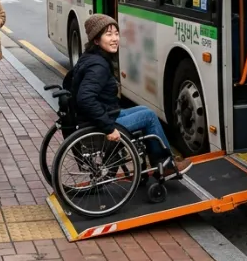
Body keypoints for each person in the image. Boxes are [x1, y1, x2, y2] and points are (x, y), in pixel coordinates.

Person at [72, 14, 191, 176]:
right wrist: (109, 128)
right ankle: (166, 165)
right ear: (96, 40)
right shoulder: (98, 66)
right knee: (149, 116)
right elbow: (85, 98)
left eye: (116, 33)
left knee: (143, 109)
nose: (115, 39)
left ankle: (161, 162)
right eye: (108, 34)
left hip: (105, 113)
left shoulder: (92, 58)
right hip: (100, 123)